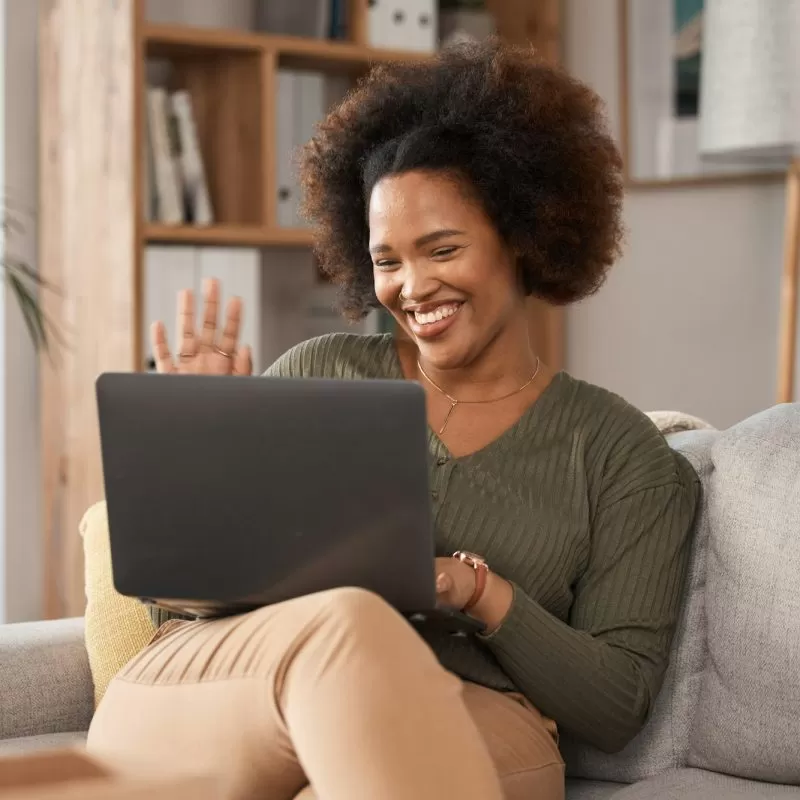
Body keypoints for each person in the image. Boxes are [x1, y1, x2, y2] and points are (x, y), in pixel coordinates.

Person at [86, 39, 700, 800]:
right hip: (231, 686)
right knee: (348, 625)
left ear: (522, 235)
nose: (412, 287)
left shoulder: (620, 454)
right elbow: (177, 600)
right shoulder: (317, 373)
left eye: (441, 248)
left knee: (354, 666)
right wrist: (204, 451)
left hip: (469, 716)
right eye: (387, 260)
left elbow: (616, 707)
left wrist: (477, 592)